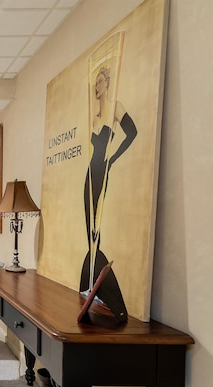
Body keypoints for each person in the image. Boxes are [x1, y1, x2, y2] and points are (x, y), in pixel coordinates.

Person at [80, 67, 137, 321]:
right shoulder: (94, 118)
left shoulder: (115, 107)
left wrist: (113, 159)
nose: (96, 86)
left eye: (100, 81)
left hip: (103, 170)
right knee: (89, 230)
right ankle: (91, 285)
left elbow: (132, 132)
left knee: (97, 230)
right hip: (90, 173)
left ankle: (100, 289)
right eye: (95, 83)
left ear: (108, 82)